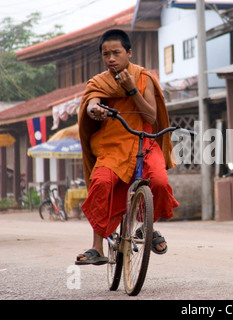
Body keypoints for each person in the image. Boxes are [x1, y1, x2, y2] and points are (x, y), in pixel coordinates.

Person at [75, 29, 179, 265]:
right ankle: (96, 247)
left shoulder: (144, 78)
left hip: (145, 143)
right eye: (105, 54)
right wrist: (95, 110)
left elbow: (151, 117)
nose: (111, 58)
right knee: (100, 183)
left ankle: (146, 228)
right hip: (113, 146)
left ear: (129, 53)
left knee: (160, 182)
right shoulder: (100, 82)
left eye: (116, 53)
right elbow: (92, 103)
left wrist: (132, 89)